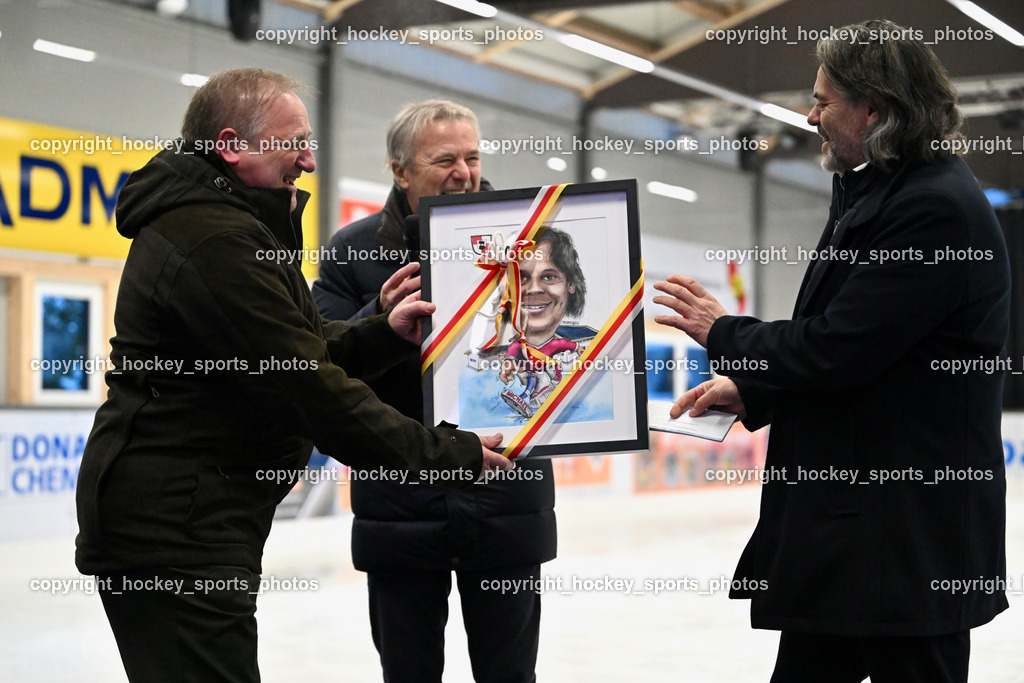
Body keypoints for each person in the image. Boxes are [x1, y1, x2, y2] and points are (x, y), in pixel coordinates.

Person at [75, 70, 511, 683]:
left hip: (196, 518)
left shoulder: (237, 225)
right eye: (295, 142)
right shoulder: (210, 239)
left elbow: (303, 346)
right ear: (232, 145)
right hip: (173, 528)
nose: (308, 159)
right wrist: (448, 453)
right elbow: (309, 388)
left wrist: (383, 332)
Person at [653, 20, 1009, 683]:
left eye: (822, 101)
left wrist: (724, 333)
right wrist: (753, 388)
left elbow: (839, 347)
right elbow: (864, 353)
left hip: (906, 546)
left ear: (872, 108)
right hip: (852, 534)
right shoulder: (878, 194)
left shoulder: (934, 211)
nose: (809, 115)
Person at [313, 100, 555, 683]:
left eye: (471, 157)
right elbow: (321, 358)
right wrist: (380, 316)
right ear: (400, 170)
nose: (463, 172)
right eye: (444, 159)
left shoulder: (538, 241)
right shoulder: (353, 252)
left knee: (510, 674)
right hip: (400, 508)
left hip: (506, 499)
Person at [499, 227, 588, 416]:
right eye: (521, 277)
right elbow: (513, 353)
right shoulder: (495, 352)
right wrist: (508, 364)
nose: (534, 289)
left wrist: (578, 350)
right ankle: (524, 397)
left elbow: (564, 344)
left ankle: (536, 397)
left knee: (541, 378)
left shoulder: (604, 351)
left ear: (570, 285)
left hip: (547, 377)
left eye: (549, 277)